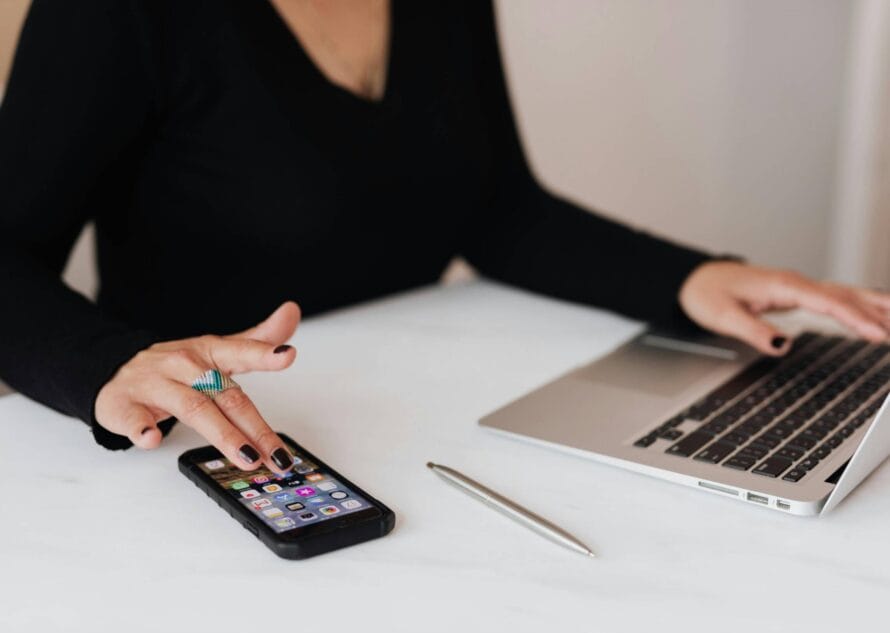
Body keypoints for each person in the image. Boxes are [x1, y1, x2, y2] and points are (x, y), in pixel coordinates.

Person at [1, 0, 888, 477]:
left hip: (425, 431)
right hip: (208, 453)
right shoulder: (119, 13)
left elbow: (495, 205)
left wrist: (695, 277)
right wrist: (107, 366)